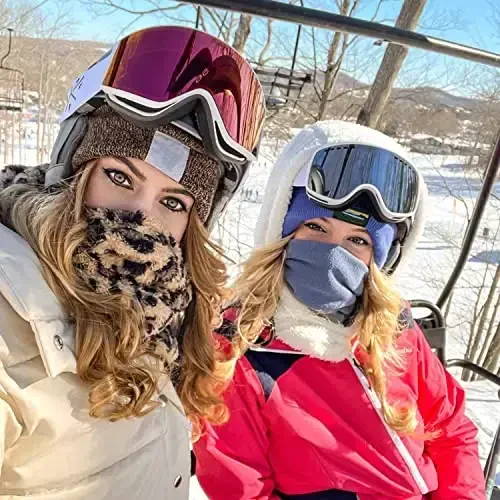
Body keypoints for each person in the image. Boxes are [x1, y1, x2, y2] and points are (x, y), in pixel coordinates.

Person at [0, 26, 264, 499]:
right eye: (120, 177)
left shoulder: (170, 313)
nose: (141, 216)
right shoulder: (9, 299)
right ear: (74, 171)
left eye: (174, 203)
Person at [193, 121, 485, 499]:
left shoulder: (393, 328)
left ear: (381, 259)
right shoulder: (239, 354)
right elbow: (243, 490)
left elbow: (452, 431)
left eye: (358, 240)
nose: (333, 254)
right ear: (282, 232)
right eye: (316, 227)